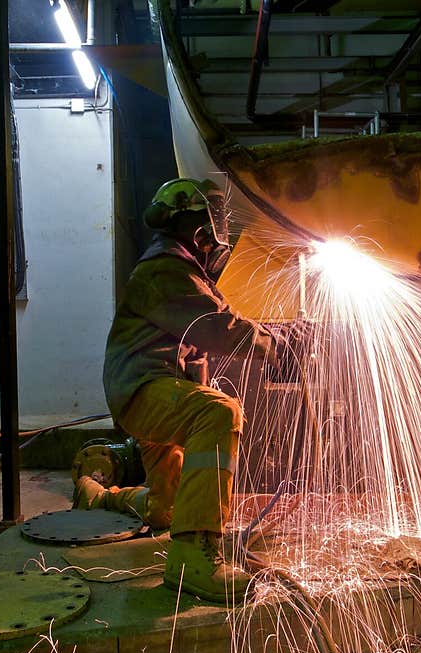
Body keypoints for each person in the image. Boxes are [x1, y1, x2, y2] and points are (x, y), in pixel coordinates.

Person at [73, 177, 287, 604]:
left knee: (168, 508)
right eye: (215, 222)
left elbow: (208, 336)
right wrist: (280, 344)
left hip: (155, 392)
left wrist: (276, 337)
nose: (219, 236)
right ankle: (193, 556)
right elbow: (219, 328)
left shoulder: (181, 270)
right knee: (220, 412)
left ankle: (95, 495)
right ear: (199, 228)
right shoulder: (166, 269)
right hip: (144, 390)